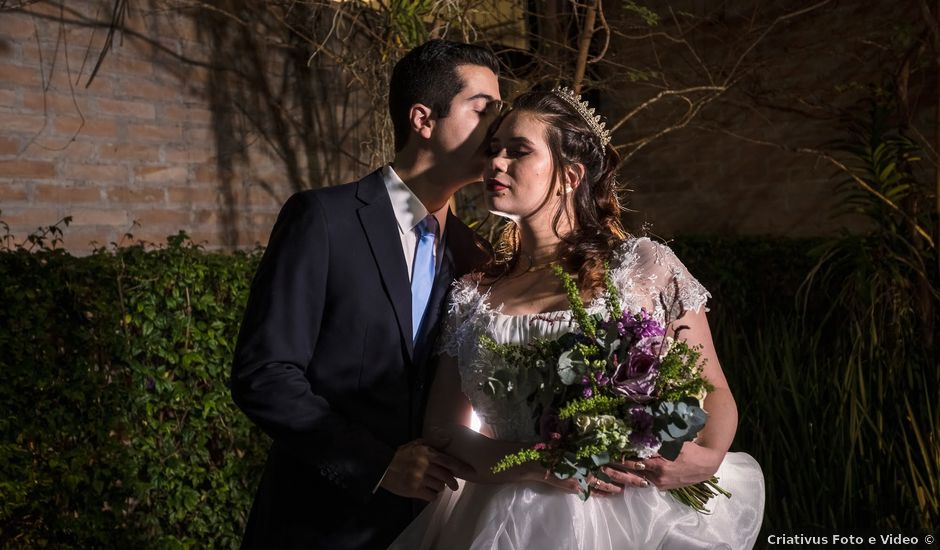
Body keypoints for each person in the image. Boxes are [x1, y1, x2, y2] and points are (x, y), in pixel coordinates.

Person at [389, 89, 765, 549]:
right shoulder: (472, 295)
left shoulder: (645, 266)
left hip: (636, 511)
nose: (496, 164)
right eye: (493, 150)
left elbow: (713, 389)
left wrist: (707, 458)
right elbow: (444, 430)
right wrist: (533, 461)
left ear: (570, 175)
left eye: (518, 151)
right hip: (508, 518)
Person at [230, 39, 503, 549]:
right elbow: (264, 375)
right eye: (483, 109)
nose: (499, 128)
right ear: (423, 119)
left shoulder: (475, 253)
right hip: (319, 524)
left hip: (433, 525)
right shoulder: (323, 220)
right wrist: (377, 465)